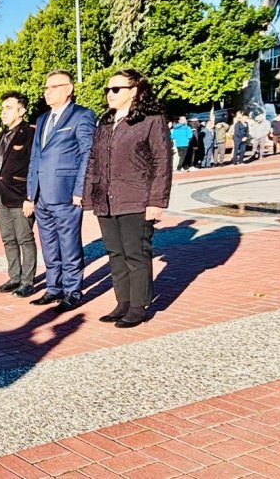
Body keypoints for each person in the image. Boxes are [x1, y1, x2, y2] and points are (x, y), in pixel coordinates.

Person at [83, 70, 172, 328]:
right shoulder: (106, 122)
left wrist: (156, 200)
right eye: (108, 90)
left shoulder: (150, 120)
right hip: (106, 199)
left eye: (116, 89)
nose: (110, 94)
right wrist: (89, 195)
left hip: (136, 197)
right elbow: (93, 160)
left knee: (136, 253)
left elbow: (161, 161)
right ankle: (122, 301)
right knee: (114, 252)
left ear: (133, 91)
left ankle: (138, 306)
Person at [25, 70, 97, 313]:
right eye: (45, 88)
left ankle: (72, 290)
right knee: (48, 244)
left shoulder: (82, 116)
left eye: (53, 87)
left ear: (68, 89)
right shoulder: (43, 119)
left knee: (69, 243)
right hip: (42, 194)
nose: (47, 92)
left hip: (66, 192)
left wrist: (80, 189)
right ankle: (53, 288)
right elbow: (36, 156)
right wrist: (30, 193)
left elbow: (88, 154)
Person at [0, 91, 37, 298]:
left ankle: (28, 281)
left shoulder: (30, 133)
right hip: (1, 195)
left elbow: (34, 166)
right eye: (3, 108)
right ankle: (14, 277)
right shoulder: (1, 135)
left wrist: (31, 197)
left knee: (24, 239)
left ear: (22, 110)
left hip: (21, 196)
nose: (3, 112)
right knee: (8, 239)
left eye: (8, 108)